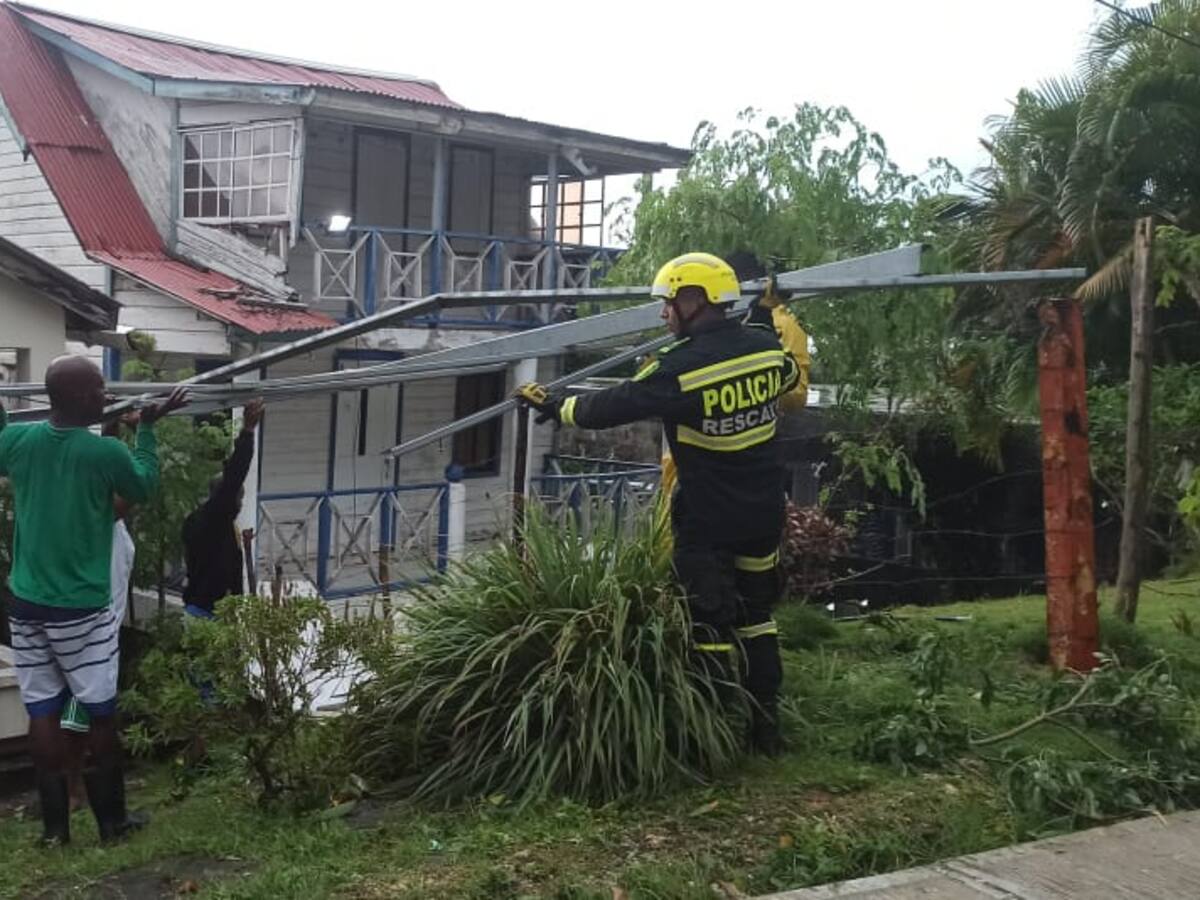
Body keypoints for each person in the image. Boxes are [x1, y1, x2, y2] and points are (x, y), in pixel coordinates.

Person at [515, 252, 801, 755]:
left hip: (709, 518)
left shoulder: (680, 369)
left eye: (670, 302)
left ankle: (709, 730)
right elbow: (775, 357)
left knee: (707, 622)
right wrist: (762, 309)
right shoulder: (766, 353)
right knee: (758, 615)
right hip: (764, 511)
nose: (664, 313)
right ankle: (766, 728)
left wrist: (556, 407)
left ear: (697, 301)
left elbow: (617, 403)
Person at [0, 356, 186, 845]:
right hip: (80, 606)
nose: (105, 395)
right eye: (99, 389)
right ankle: (112, 824)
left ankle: (55, 831)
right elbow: (142, 482)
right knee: (100, 709)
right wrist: (146, 430)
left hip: (25, 601)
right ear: (79, 397)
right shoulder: (100, 454)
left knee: (40, 709)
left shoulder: (19, 442)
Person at [60, 413, 142, 808]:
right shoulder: (103, 518)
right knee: (85, 716)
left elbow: (111, 470)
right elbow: (132, 487)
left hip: (98, 624)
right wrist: (143, 433)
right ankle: (78, 790)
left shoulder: (109, 523)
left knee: (78, 713)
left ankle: (74, 789)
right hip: (93, 627)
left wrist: (112, 424)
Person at [181, 399, 264, 617]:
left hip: (202, 606)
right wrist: (248, 431)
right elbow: (234, 478)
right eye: (239, 499)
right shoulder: (214, 519)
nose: (240, 505)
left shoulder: (200, 520)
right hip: (207, 611)